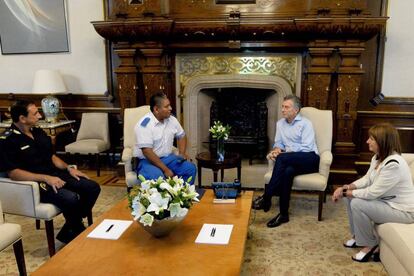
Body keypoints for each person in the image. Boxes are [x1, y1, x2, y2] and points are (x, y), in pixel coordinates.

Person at [0, 100, 101, 244]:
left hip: (54, 174)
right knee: (71, 198)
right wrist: (46, 178)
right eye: (35, 113)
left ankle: (70, 228)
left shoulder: (38, 131)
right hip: (35, 182)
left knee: (92, 187)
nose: (40, 116)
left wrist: (68, 168)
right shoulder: (7, 140)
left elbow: (51, 156)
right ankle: (78, 233)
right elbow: (13, 173)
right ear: (22, 119)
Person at [332, 123, 414, 262]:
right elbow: (367, 179)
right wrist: (347, 187)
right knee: (351, 198)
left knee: (357, 203)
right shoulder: (377, 157)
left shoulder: (394, 164)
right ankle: (357, 237)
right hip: (387, 202)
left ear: (382, 142)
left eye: (371, 139)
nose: (367, 141)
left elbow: (372, 193)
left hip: (404, 212)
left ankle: (370, 244)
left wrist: (346, 192)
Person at [252, 94, 320, 228]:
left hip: (310, 158)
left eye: (286, 107)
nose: (283, 109)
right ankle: (284, 214)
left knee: (282, 158)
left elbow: (306, 147)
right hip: (290, 160)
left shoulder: (306, 124)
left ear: (296, 110)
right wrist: (277, 150)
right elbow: (279, 143)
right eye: (282, 107)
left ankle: (267, 197)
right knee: (288, 172)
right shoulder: (280, 124)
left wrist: (285, 153)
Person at [134, 92, 196, 184]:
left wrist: (182, 153)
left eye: (169, 105)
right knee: (157, 177)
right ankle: (164, 198)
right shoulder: (144, 124)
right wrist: (166, 169)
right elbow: (147, 152)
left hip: (168, 158)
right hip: (148, 161)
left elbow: (182, 135)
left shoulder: (172, 120)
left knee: (190, 168)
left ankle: (181, 196)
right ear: (156, 109)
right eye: (166, 106)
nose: (170, 108)